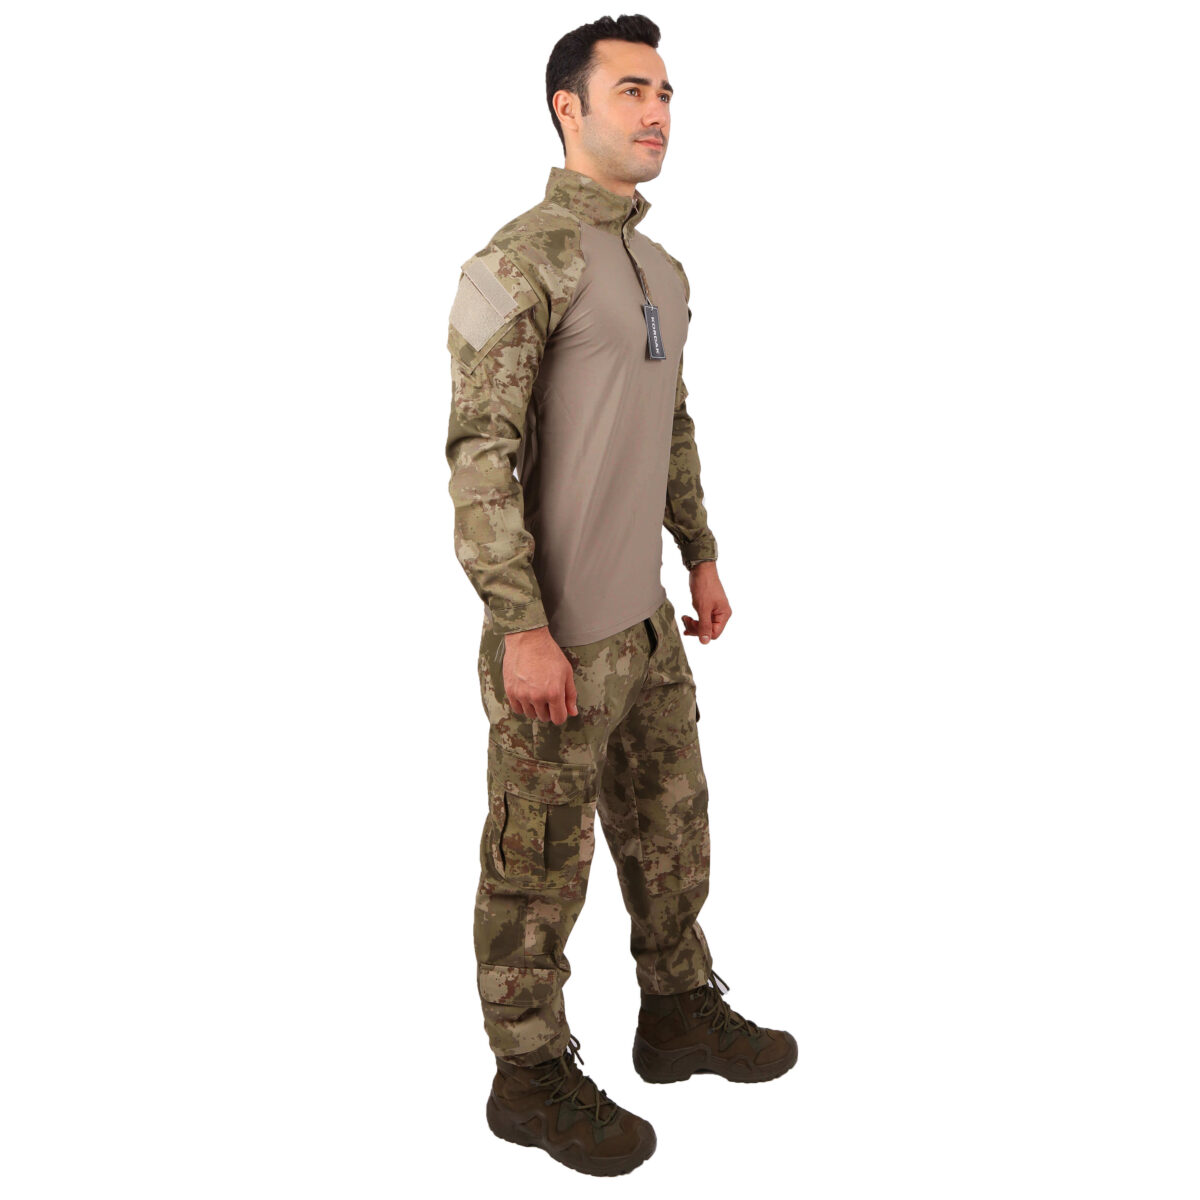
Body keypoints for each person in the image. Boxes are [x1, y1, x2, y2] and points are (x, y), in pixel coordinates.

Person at [444, 14, 796, 1177]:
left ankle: (678, 1009)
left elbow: (669, 422)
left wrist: (699, 552)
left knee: (670, 826)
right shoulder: (519, 261)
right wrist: (521, 625)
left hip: (643, 626)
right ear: (569, 108)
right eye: (633, 91)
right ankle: (528, 1073)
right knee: (538, 862)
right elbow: (480, 458)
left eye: (666, 94)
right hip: (555, 635)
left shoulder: (662, 270)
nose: (658, 113)